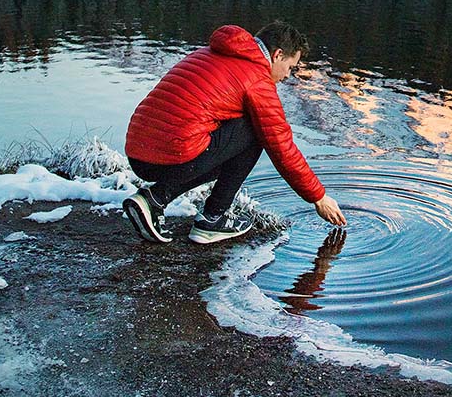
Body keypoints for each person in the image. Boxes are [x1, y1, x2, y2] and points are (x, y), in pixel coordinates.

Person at [122, 22, 346, 244]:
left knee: (234, 129)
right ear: (278, 55)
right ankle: (212, 219)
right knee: (256, 132)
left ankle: (155, 198)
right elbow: (282, 148)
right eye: (290, 67)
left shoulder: (209, 53)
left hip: (138, 153)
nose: (289, 76)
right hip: (169, 155)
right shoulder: (257, 78)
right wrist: (319, 197)